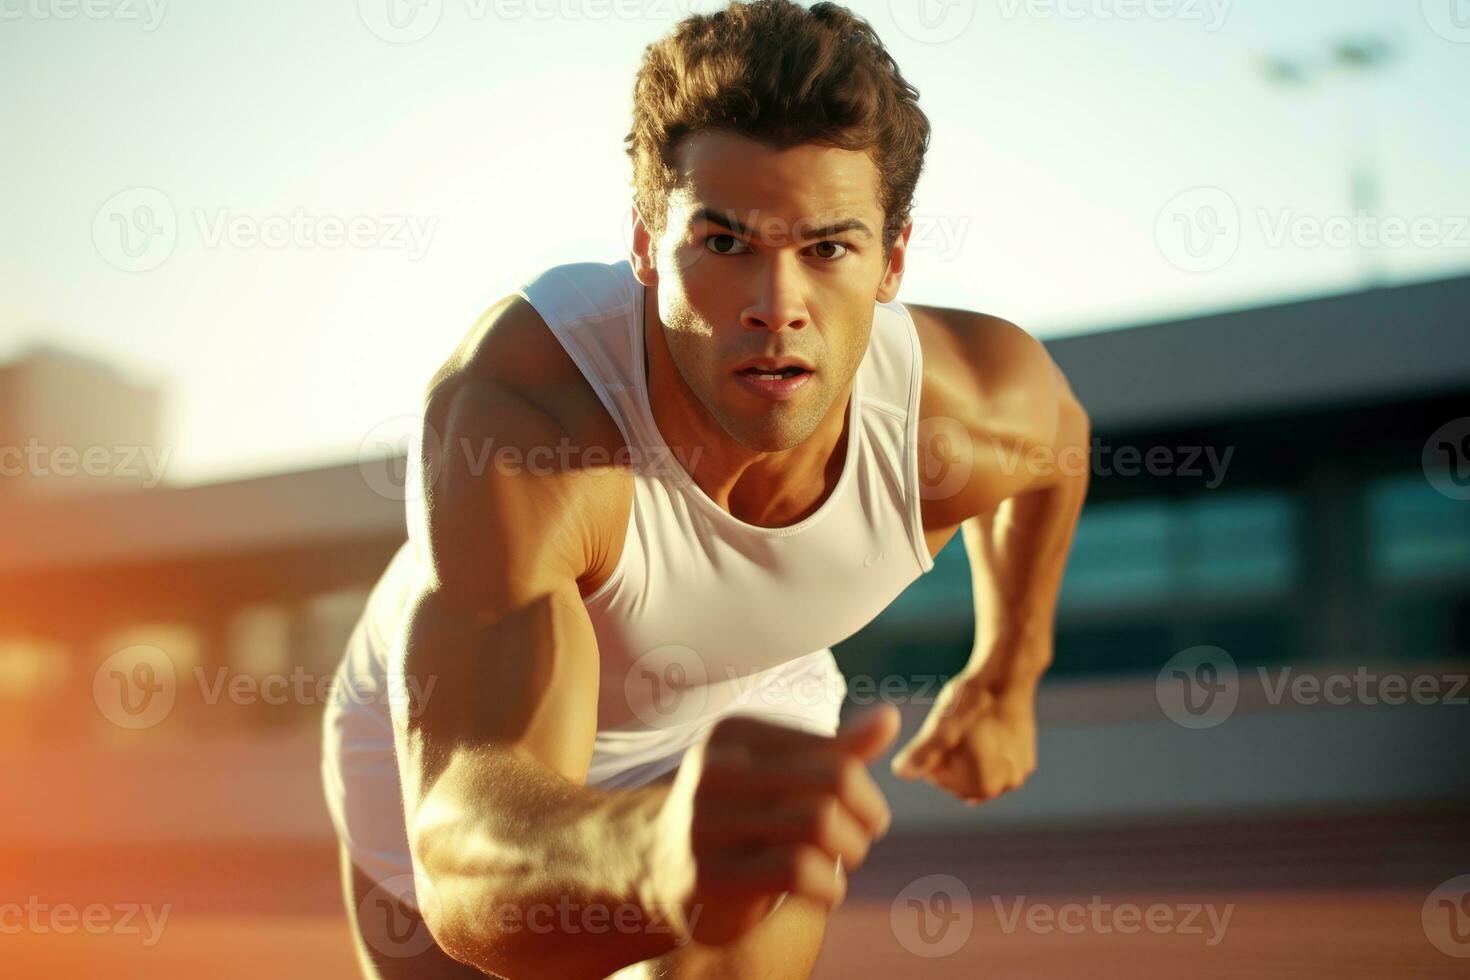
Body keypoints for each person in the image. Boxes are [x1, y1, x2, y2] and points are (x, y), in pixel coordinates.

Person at [321, 1, 1091, 976]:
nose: (777, 309)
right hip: (463, 770)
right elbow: (464, 853)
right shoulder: (534, 420)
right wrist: (651, 853)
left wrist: (1009, 671)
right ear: (646, 246)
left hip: (748, 699)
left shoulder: (963, 414)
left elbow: (1060, 446)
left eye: (827, 247)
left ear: (892, 260)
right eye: (724, 243)